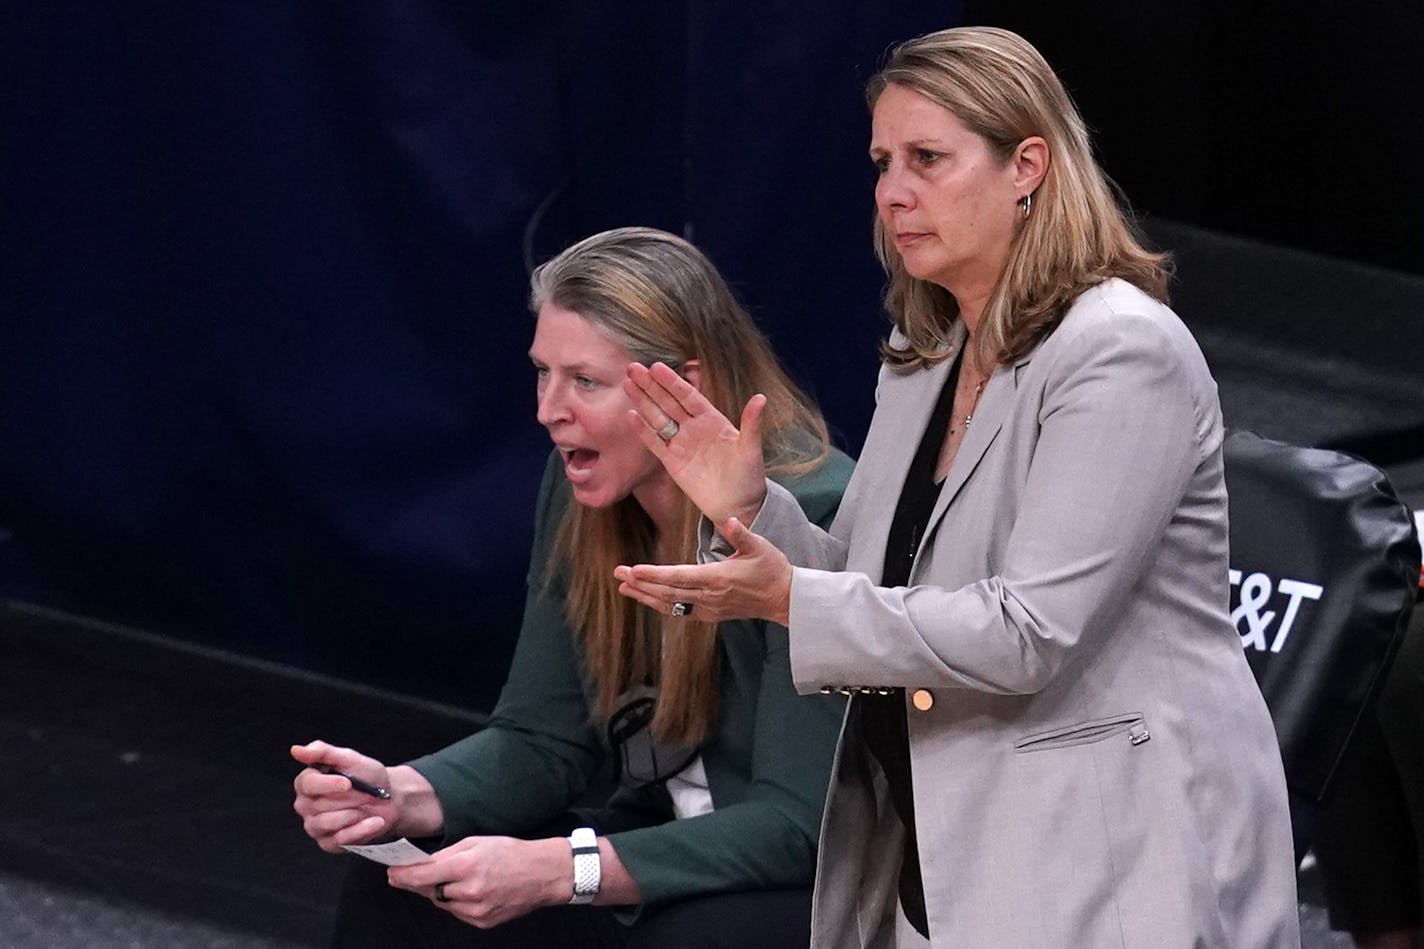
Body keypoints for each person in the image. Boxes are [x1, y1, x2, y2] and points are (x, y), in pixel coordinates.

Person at [615, 26, 1301, 948]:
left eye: (928, 159)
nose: (894, 192)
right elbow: (875, 589)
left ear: (1028, 165)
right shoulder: (924, 356)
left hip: (1112, 856)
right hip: (942, 843)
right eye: (882, 161)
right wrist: (748, 510)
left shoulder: (1119, 351)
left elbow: (1030, 632)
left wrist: (789, 598)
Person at [290, 226, 853, 948]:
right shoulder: (584, 484)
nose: (548, 409)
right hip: (662, 844)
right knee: (405, 881)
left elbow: (798, 823)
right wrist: (401, 794)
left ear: (685, 386)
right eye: (542, 373)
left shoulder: (813, 512)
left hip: (807, 885)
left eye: (585, 381)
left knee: (690, 937)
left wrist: (565, 868)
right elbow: (543, 740)